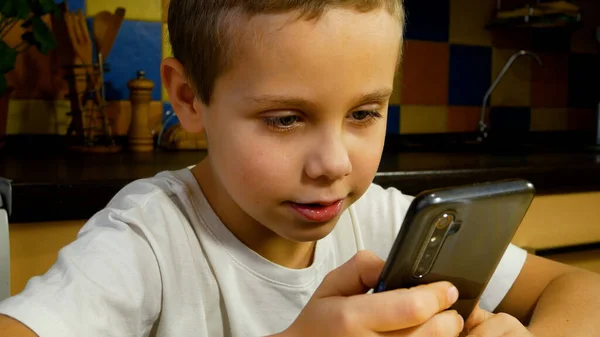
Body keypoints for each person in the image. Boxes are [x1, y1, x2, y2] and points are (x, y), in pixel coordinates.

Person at [2, 0, 600, 336]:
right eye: (285, 119)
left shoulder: (385, 219)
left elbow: (581, 289)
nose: (335, 165)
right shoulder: (148, 240)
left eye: (365, 112)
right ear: (188, 99)